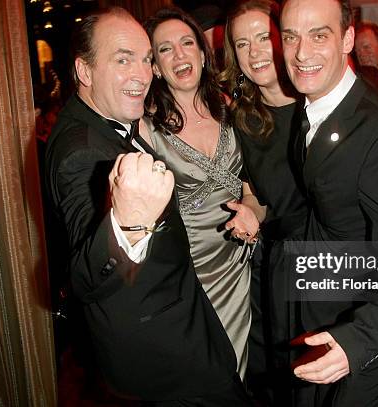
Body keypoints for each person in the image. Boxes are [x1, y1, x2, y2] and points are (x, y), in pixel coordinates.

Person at [45, 7, 251, 404]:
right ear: (84, 72)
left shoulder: (106, 123)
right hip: (165, 353)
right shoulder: (82, 151)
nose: (141, 74)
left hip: (186, 317)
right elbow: (86, 278)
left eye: (144, 59)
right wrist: (129, 223)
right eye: (123, 60)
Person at [280, 0, 378, 406]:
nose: (301, 53)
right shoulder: (313, 106)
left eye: (319, 35)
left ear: (347, 38)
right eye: (290, 37)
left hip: (377, 314)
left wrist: (359, 337)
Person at [141, 7, 257, 380]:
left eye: (187, 43)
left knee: (237, 370)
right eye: (165, 49)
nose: (179, 54)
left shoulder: (230, 106)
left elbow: (251, 182)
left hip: (239, 264)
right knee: (199, 375)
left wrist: (252, 210)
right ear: (156, 67)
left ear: (204, 53)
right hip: (189, 273)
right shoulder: (145, 127)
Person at [220, 0, 307, 403]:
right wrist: (251, 214)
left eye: (263, 37)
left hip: (331, 257)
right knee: (275, 376)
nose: (255, 52)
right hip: (275, 264)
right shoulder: (243, 116)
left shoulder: (316, 102)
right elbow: (254, 192)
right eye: (242, 43)